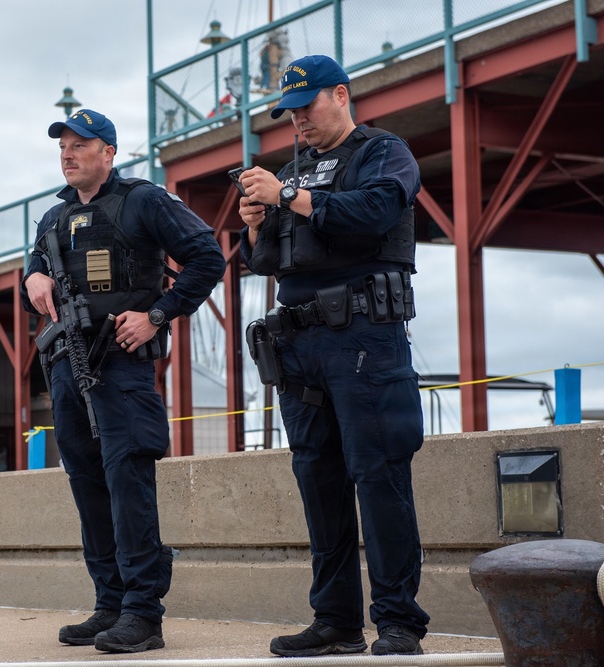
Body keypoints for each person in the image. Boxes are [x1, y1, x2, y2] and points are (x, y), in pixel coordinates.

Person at [235, 55, 430, 657]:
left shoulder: (382, 152)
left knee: (379, 476)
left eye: (307, 106)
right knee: (317, 480)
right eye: (290, 112)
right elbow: (266, 260)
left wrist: (286, 194)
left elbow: (374, 211)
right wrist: (252, 226)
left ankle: (397, 621)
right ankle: (336, 621)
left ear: (341, 95)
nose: (297, 120)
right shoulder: (295, 169)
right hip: (300, 344)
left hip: (365, 337)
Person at [20, 109, 225, 653]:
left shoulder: (143, 200)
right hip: (68, 363)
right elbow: (33, 276)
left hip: (122, 364)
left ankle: (142, 613)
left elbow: (208, 259)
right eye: (62, 146)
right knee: (87, 483)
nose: (67, 154)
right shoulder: (52, 220)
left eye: (80, 145)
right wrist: (32, 276)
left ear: (108, 152)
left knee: (127, 482)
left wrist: (157, 315)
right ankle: (109, 604)